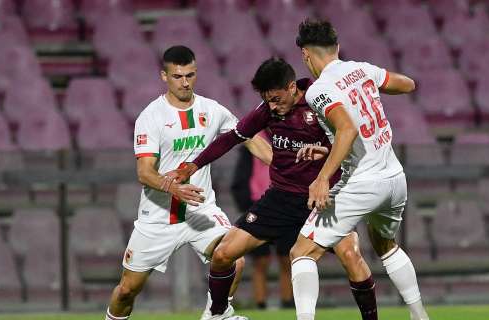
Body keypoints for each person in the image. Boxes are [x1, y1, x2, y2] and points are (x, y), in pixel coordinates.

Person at [171, 58, 379, 320]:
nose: (272, 105)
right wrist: (193, 165)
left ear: (292, 87)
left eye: (276, 98)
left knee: (351, 255)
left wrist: (326, 159)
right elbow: (233, 137)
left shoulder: (321, 102)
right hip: (280, 199)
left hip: (323, 199)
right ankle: (217, 314)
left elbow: (350, 140)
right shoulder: (268, 110)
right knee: (223, 254)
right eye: (267, 99)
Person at [104, 45, 272, 320]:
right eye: (178, 76)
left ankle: (216, 315)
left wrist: (282, 164)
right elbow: (144, 173)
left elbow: (248, 137)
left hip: (200, 210)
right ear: (164, 76)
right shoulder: (151, 117)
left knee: (234, 258)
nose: (184, 82)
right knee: (126, 291)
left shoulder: (212, 110)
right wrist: (174, 188)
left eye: (190, 75)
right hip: (158, 217)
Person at [289, 19, 430, 320]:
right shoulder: (363, 69)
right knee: (385, 244)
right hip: (394, 179)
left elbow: (348, 129)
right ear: (337, 47)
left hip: (363, 183)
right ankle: (420, 317)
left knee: (301, 252)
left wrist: (322, 177)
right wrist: (372, 83)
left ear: (305, 55)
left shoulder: (319, 90)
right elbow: (408, 84)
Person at [230, 146, 294, 310]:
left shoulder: (290, 138)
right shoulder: (253, 143)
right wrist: (246, 204)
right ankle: (260, 303)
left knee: (287, 258)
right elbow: (240, 179)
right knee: (261, 260)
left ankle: (288, 302)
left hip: (287, 205)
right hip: (258, 206)